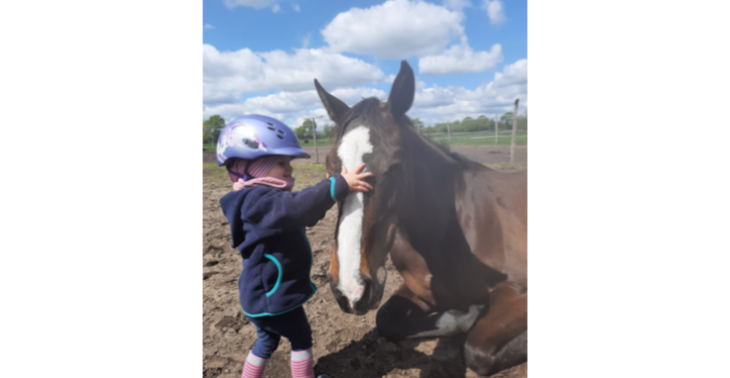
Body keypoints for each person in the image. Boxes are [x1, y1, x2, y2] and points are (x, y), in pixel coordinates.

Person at [216, 114, 373, 378]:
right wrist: (336, 186)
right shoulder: (258, 202)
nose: (289, 169)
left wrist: (328, 192)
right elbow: (297, 208)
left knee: (267, 341)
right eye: (280, 162)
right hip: (274, 297)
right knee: (301, 337)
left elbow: (301, 214)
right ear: (249, 166)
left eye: (289, 163)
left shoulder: (257, 201)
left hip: (259, 296)